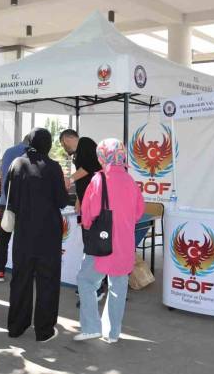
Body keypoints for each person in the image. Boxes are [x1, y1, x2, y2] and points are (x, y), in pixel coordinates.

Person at [75, 138, 144, 343]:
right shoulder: (130, 181)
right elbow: (139, 212)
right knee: (118, 286)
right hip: (124, 244)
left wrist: (86, 223)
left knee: (86, 281)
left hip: (102, 243)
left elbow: (89, 214)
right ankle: (113, 333)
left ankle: (91, 327)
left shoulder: (99, 179)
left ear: (103, 155)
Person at [6, 128, 68, 342]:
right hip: (48, 234)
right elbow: (62, 200)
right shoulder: (53, 167)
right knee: (47, 281)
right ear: (48, 144)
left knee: (21, 279)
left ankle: (16, 326)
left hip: (23, 232)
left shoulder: (16, 164)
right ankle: (44, 331)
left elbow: (9, 198)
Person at [59, 128, 105, 302]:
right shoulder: (76, 155)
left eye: (64, 144)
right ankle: (92, 282)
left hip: (95, 204)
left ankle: (96, 285)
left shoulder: (85, 142)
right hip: (87, 203)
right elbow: (83, 179)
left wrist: (69, 179)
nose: (64, 148)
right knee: (89, 243)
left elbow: (88, 168)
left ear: (68, 138)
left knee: (93, 244)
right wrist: (79, 198)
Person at [0, 134, 31, 283]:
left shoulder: (8, 152)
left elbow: (2, 173)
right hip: (24, 204)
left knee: (3, 238)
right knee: (23, 239)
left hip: (5, 202)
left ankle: (0, 271)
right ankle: (21, 272)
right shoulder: (32, 153)